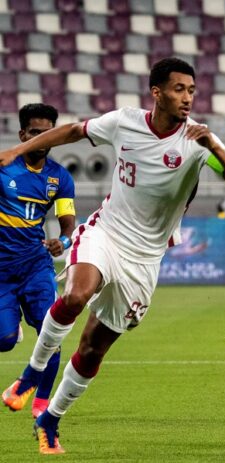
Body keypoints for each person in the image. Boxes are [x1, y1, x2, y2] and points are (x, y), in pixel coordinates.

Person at [0, 58, 225, 454]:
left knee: (92, 348)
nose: (187, 98)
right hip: (106, 233)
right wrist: (20, 149)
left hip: (145, 258)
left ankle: (50, 419)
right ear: (157, 93)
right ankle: (31, 373)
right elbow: (70, 130)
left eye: (191, 90)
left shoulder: (198, 140)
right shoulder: (125, 121)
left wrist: (213, 145)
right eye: (178, 89)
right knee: (75, 295)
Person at [0, 103, 76, 419]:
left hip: (36, 266)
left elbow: (68, 221)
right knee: (4, 342)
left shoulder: (59, 178)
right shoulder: (5, 167)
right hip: (2, 271)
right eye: (35, 133)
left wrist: (65, 240)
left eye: (48, 134)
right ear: (22, 134)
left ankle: (41, 401)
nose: (41, 139)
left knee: (52, 332)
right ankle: (12, 329)